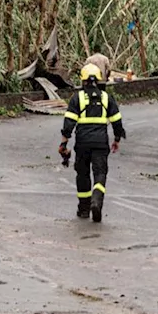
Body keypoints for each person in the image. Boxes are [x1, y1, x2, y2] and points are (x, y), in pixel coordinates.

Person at [60, 63, 125, 223]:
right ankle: (96, 199)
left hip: (82, 143)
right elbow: (117, 121)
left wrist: (63, 143)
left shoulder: (77, 98)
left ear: (82, 81)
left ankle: (83, 209)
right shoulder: (106, 97)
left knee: (82, 174)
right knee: (100, 173)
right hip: (100, 143)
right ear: (98, 80)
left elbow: (68, 123)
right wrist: (116, 139)